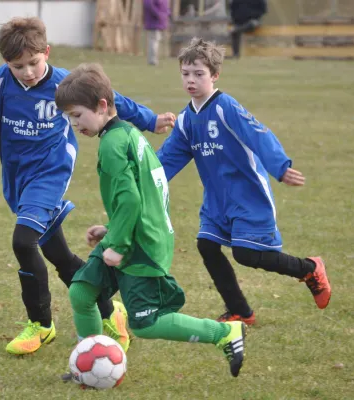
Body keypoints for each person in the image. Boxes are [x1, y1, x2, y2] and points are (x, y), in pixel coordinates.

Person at [0, 17, 176, 356]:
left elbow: (109, 98)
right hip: (17, 176)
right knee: (58, 254)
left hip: (51, 171)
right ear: (6, 63)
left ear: (46, 52)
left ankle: (41, 324)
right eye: (18, 66)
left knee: (22, 240)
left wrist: (150, 119)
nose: (28, 71)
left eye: (34, 62)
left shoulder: (64, 83)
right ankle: (109, 310)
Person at [55, 63, 247, 379]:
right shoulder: (128, 132)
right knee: (82, 292)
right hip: (132, 231)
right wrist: (112, 226)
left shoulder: (114, 145)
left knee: (146, 323)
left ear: (102, 106)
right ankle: (88, 362)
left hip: (140, 244)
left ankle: (224, 333)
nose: (74, 123)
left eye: (77, 115)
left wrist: (117, 242)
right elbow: (149, 190)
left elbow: (131, 199)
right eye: (69, 117)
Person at [156, 38, 332, 326]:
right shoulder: (187, 119)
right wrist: (141, 178)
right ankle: (240, 311)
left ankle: (310, 269)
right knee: (207, 245)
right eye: (185, 73)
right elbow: (166, 159)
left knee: (247, 254)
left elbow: (258, 134)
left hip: (247, 194)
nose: (191, 80)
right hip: (216, 198)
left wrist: (280, 167)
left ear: (214, 75)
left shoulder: (226, 107)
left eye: (198, 74)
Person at [143, 0, 170, 65]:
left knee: (156, 40)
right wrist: (158, 14)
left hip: (160, 22)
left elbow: (166, 7)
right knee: (153, 41)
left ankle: (154, 59)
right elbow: (148, 5)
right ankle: (152, 60)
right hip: (154, 22)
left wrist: (167, 14)